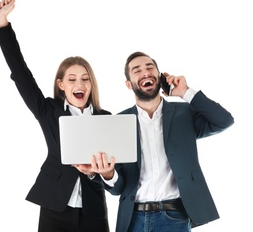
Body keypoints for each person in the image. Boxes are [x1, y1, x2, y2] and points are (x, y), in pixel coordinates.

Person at [0, 0, 111, 232]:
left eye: (85, 78)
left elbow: (115, 168)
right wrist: (3, 24)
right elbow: (21, 73)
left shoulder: (106, 118)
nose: (80, 84)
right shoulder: (49, 111)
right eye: (72, 79)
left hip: (94, 210)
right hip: (55, 207)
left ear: (91, 84)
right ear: (61, 85)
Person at [88, 51, 234, 231]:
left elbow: (223, 120)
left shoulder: (184, 114)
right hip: (133, 219)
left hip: (174, 218)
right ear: (128, 84)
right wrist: (109, 174)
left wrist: (185, 92)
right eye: (137, 70)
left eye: (150, 67)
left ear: (159, 76)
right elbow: (118, 188)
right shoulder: (118, 122)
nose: (145, 72)